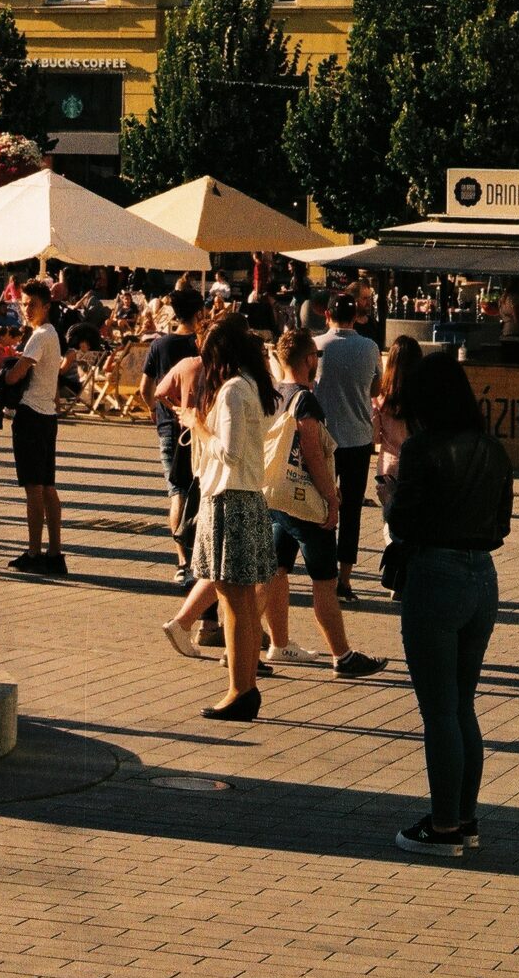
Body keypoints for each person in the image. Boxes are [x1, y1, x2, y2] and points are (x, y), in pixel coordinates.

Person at [387, 349, 514, 858]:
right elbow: (502, 524)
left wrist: (393, 493)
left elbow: (402, 523)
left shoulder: (422, 449)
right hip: (483, 576)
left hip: (434, 575)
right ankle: (464, 818)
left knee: (438, 709)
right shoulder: (494, 449)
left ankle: (442, 828)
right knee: (463, 704)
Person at [262, 329, 388, 678]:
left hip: (276, 495)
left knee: (276, 571)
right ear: (308, 359)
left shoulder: (272, 395)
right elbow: (313, 454)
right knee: (324, 580)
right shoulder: (305, 400)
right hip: (304, 500)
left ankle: (277, 641)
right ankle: (342, 655)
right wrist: (331, 498)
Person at [188, 312, 277, 720]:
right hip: (244, 498)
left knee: (234, 601)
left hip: (231, 498)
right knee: (236, 600)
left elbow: (229, 451)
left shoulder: (232, 391)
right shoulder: (253, 386)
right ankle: (242, 687)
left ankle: (241, 689)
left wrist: (196, 425)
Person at [316, 291, 381, 606]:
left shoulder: (316, 347)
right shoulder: (369, 348)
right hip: (358, 437)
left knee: (321, 505)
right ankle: (344, 578)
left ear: (326, 316)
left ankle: (323, 572)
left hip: (322, 439)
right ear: (355, 316)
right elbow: (376, 388)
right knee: (352, 508)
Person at [3, 276, 67, 575]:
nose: (27, 309)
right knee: (48, 487)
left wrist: (5, 373)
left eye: (33, 305)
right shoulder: (52, 334)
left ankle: (34, 552)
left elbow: (15, 376)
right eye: (24, 304)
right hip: (48, 416)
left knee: (34, 489)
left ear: (46, 305)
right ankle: (54, 552)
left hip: (31, 414)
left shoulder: (39, 336)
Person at [142, 285, 205, 586]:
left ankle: (182, 560)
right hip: (201, 427)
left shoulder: (160, 345)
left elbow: (146, 389)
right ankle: (200, 557)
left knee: (176, 491)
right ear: (199, 313)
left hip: (169, 426)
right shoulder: (203, 344)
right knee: (200, 491)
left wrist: (156, 411)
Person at [373, 334, 423, 532]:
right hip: (417, 465)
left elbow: (374, 436)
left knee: (391, 521)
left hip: (388, 467)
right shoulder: (424, 396)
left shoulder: (381, 398)